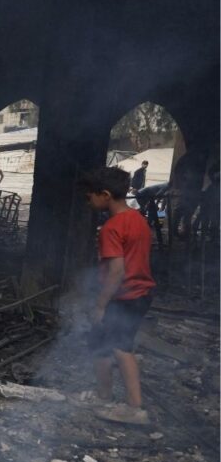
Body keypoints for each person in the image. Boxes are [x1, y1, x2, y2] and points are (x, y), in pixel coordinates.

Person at [79, 167, 155, 425]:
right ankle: (104, 396)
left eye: (89, 197)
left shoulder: (111, 228)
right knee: (98, 342)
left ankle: (135, 409)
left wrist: (101, 304)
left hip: (125, 297)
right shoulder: (138, 219)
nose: (88, 202)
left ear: (105, 195)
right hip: (139, 293)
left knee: (121, 348)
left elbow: (117, 271)